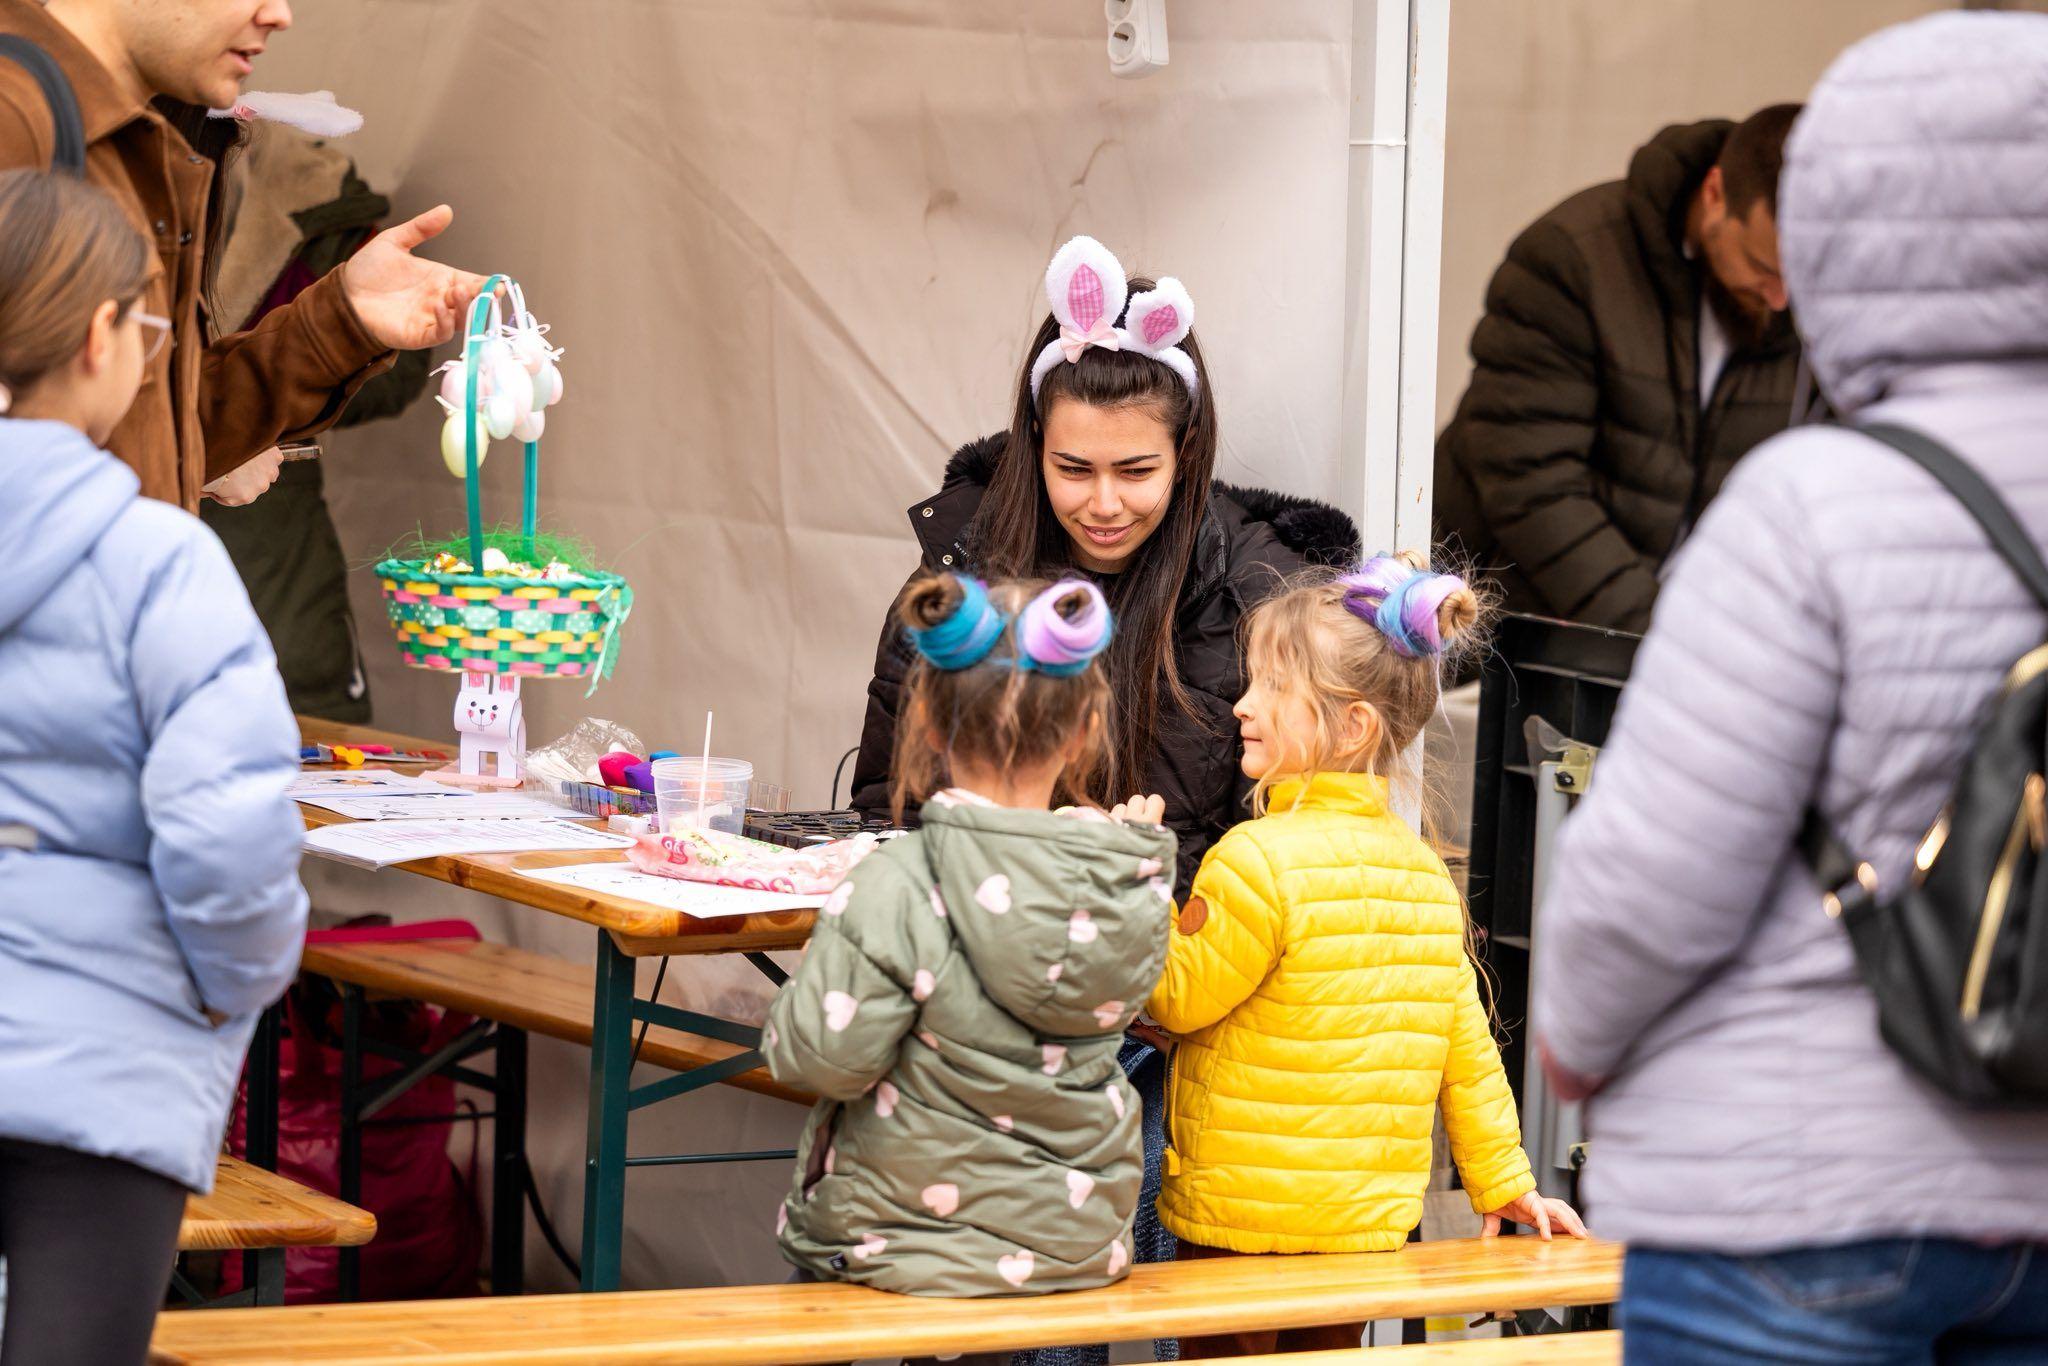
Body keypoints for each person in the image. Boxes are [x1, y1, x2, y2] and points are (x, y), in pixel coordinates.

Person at [1533, 13, 2048, 1362]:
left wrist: (1573, 1036)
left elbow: (1657, 865)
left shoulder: (1810, 503)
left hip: (1792, 1194)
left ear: (1844, 232)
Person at [0, 169, 307, 1366]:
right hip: (106, 1074)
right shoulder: (160, 564)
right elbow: (228, 839)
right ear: (100, 337)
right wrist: (231, 988)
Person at [1148, 553, 1586, 1359]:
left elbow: (1177, 999)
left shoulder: (1255, 860)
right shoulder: (1423, 873)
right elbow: (1467, 1052)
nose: (1243, 704)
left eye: (1273, 686)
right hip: (1363, 1232)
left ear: (1352, 725)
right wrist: (1504, 1184)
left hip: (1236, 1226)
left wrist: (1133, 887)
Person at [850, 235, 1360, 890]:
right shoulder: (961, 571)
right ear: (1036, 442)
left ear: (1187, 450)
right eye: (1073, 469)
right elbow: (889, 813)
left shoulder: (1263, 595)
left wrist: (1126, 883)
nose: (1104, 504)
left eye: (1136, 470)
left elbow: (1282, 860)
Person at [765, 574, 1175, 1351]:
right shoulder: (1124, 888)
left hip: (898, 1240)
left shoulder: (898, 881)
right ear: (1086, 730)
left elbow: (821, 1061)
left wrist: (813, 979)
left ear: (924, 722)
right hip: (1070, 1245)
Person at [0, 0, 485, 512]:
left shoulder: (129, 138)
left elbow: (151, 439)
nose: (279, 14)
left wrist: (343, 319)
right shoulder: (16, 120)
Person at [1434, 103, 1805, 633]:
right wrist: (1658, 636)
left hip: (1670, 635)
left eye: (1799, 272)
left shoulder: (1812, 304)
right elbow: (1532, 483)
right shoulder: (1573, 259)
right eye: (1762, 266)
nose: (1780, 297)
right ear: (1714, 193)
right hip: (1507, 627)